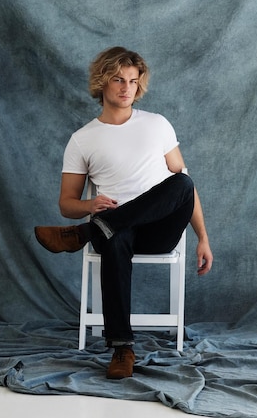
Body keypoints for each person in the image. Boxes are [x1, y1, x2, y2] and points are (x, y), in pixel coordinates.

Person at [35, 46, 213, 380]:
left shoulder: (158, 125)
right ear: (102, 82)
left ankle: (88, 232)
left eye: (133, 80)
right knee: (114, 236)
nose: (126, 87)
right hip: (118, 232)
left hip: (159, 230)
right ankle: (122, 348)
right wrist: (90, 207)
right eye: (118, 79)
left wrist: (203, 237)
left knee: (183, 182)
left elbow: (185, 190)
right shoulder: (82, 139)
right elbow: (66, 204)